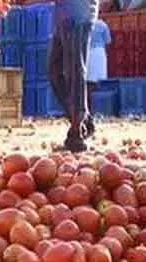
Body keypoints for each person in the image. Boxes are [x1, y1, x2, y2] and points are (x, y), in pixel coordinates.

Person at [49, 0, 99, 152]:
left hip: (78, 13)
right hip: (63, 15)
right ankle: (84, 120)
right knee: (54, 71)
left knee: (75, 69)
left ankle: (77, 130)